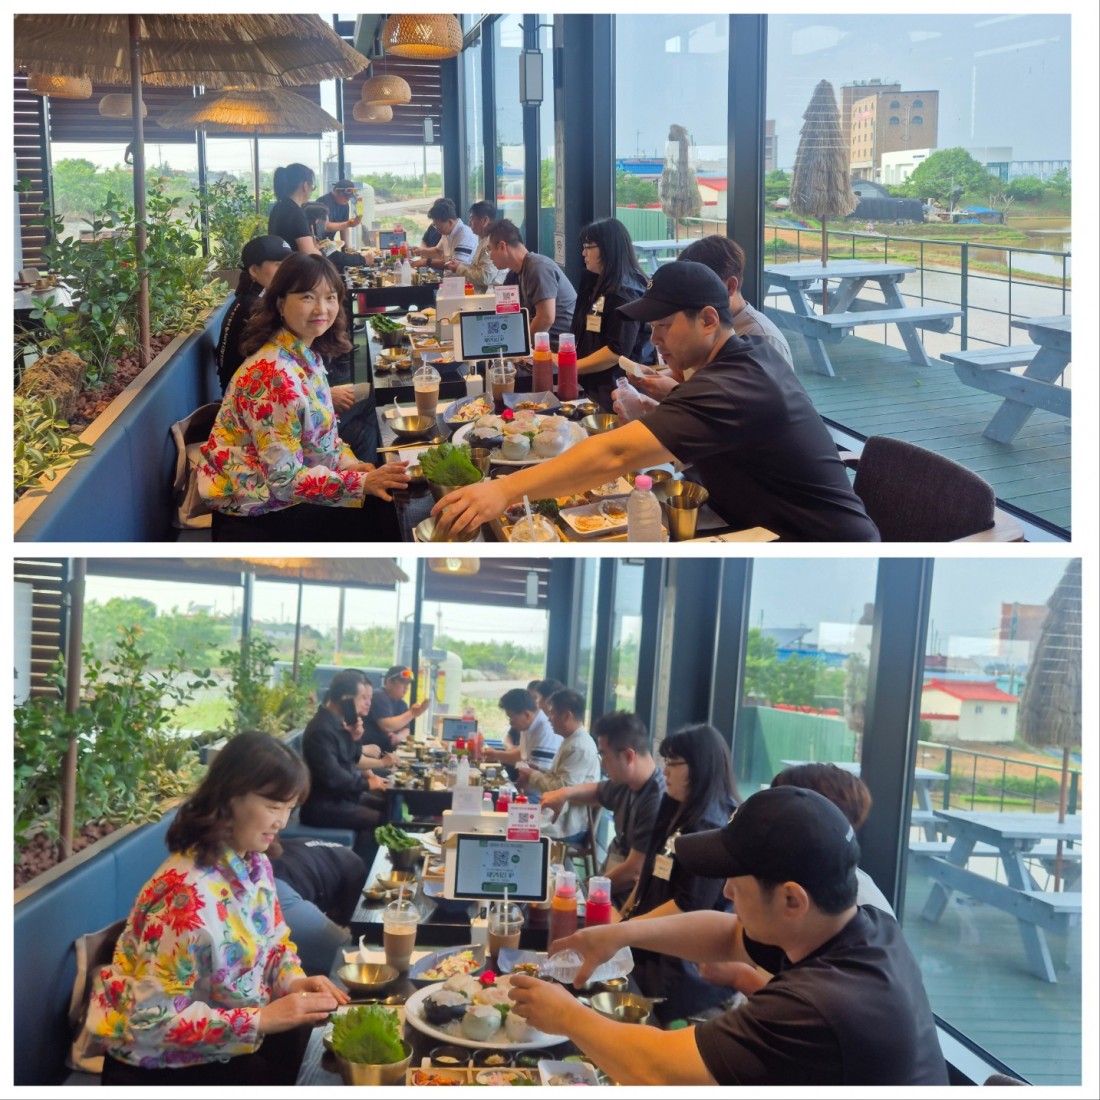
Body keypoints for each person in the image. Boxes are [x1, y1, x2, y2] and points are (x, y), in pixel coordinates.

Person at [507, 786, 949, 1087]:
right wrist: (617, 934)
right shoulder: (864, 924)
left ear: (792, 899)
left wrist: (567, 1016)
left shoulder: (820, 1006)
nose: (727, 893)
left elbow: (656, 1071)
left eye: (737, 881)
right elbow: (729, 935)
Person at [433, 261, 879, 542]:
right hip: (747, 522)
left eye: (663, 326)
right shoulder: (743, 357)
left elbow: (615, 454)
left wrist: (503, 489)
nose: (654, 339)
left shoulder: (736, 382)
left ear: (709, 319)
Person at [86, 733, 348, 1085]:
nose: (282, 822)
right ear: (229, 797)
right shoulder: (185, 895)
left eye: (290, 808)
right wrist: (263, 1020)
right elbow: (151, 1021)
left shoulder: (254, 864)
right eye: (274, 807)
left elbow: (274, 944)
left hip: (229, 1043)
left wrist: (294, 981)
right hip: (161, 1066)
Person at [198, 252, 408, 541]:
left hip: (285, 496)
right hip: (258, 514)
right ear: (280, 303)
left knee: (390, 497)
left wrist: (349, 465)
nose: (321, 308)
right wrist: (361, 483)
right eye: (308, 297)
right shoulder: (275, 375)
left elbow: (323, 437)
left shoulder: (303, 354)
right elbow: (283, 481)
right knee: (390, 515)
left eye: (330, 297)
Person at [616, 724, 739, 1023]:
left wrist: (622, 933)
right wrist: (625, 919)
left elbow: (689, 906)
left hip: (685, 969)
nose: (665, 771)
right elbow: (649, 872)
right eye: (665, 761)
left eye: (673, 763)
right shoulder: (675, 807)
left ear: (700, 767)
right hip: (652, 946)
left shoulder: (713, 827)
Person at [618, 235, 792, 415]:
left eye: (700, 283)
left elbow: (748, 416)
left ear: (730, 287)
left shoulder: (762, 339)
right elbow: (685, 374)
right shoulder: (697, 331)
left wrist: (675, 394)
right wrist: (654, 378)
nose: (654, 339)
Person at [539, 711, 664, 905]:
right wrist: (565, 793)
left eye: (604, 755)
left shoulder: (655, 801)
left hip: (628, 900)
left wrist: (585, 890)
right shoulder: (627, 781)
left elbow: (634, 871)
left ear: (628, 756)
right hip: (609, 883)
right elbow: (597, 791)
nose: (603, 765)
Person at [298, 670, 389, 863]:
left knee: (389, 804)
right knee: (382, 820)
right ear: (346, 699)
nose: (366, 703)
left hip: (341, 799)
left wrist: (354, 737)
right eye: (362, 697)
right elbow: (334, 777)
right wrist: (367, 784)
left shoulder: (338, 724)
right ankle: (361, 871)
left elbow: (352, 758)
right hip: (323, 807)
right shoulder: (321, 729)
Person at [568, 219, 653, 411]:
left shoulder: (625, 293)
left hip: (616, 391)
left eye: (588, 247)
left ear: (607, 249)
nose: (583, 253)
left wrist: (570, 366)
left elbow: (616, 351)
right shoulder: (597, 282)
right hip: (592, 383)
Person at [270, 838, 367, 975]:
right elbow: (347, 952)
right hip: (283, 881)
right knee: (348, 957)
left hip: (293, 871)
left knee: (348, 955)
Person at [518, 689, 601, 841]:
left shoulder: (578, 746)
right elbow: (560, 778)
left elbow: (562, 788)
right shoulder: (572, 740)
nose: (549, 719)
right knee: (513, 814)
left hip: (566, 825)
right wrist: (539, 769)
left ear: (567, 716)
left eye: (552, 713)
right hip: (558, 817)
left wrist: (532, 775)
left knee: (514, 827)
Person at [216, 235, 294, 393]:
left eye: (288, 265)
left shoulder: (253, 297)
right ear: (254, 271)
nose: (287, 272)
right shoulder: (255, 307)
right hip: (246, 396)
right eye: (279, 265)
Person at [486, 219, 576, 347]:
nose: (490, 256)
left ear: (502, 246)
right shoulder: (513, 275)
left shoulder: (538, 267)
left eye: (489, 250)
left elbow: (546, 318)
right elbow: (505, 314)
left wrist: (519, 345)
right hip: (542, 343)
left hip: (559, 345)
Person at [481, 688, 562, 777]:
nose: (511, 723)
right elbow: (521, 755)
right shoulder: (528, 725)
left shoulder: (545, 732)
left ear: (526, 714)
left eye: (512, 718)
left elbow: (538, 774)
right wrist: (496, 755)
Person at [363, 665, 430, 752]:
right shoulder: (378, 696)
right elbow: (387, 725)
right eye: (403, 683)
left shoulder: (402, 704)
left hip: (387, 752)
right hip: (369, 753)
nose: (406, 687)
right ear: (389, 682)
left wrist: (398, 737)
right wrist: (412, 713)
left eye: (408, 683)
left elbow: (406, 729)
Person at [443, 200, 504, 291]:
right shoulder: (483, 240)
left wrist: (459, 268)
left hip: (491, 296)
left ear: (485, 220)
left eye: (472, 219)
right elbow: (478, 269)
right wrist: (460, 265)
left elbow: (485, 277)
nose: (469, 223)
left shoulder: (492, 242)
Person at [267, 163, 322, 254]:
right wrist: (323, 253)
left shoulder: (279, 206)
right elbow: (308, 252)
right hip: (293, 262)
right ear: (305, 186)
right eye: (312, 187)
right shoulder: (296, 213)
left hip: (281, 260)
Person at [412, 197, 478, 270]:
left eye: (438, 226)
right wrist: (420, 251)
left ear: (450, 222)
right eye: (435, 225)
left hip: (462, 277)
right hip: (449, 276)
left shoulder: (464, 234)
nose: (437, 229)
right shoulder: (446, 233)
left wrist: (427, 262)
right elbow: (438, 251)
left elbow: (455, 265)